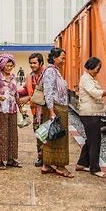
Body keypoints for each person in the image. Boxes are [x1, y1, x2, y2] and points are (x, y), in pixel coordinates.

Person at [76, 57, 106, 178]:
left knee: (90, 140)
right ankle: (95, 168)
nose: (99, 71)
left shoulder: (90, 78)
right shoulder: (86, 79)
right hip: (90, 114)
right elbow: (95, 93)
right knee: (95, 142)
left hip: (92, 113)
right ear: (90, 68)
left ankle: (81, 164)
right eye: (98, 68)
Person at [41, 47, 73, 178]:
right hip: (55, 109)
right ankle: (60, 166)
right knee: (59, 137)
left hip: (58, 108)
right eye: (62, 58)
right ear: (54, 58)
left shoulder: (55, 71)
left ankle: (47, 165)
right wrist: (52, 111)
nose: (64, 60)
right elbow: (48, 92)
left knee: (52, 136)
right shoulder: (50, 72)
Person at [0, 53, 21, 170]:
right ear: (2, 66)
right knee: (2, 135)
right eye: (7, 66)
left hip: (12, 109)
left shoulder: (13, 77)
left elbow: (16, 93)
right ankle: (1, 160)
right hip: (0, 110)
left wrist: (20, 107)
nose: (9, 68)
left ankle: (12, 159)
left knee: (13, 134)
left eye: (11, 66)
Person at [18, 53, 45, 167]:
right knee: (39, 134)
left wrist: (28, 98)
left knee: (48, 134)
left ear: (41, 63)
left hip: (47, 110)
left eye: (34, 63)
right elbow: (25, 90)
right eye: (30, 63)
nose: (32, 65)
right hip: (35, 111)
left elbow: (46, 93)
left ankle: (48, 158)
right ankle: (41, 157)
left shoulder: (46, 75)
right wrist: (13, 92)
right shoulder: (29, 76)